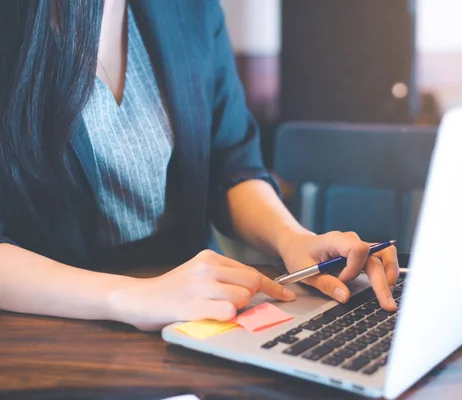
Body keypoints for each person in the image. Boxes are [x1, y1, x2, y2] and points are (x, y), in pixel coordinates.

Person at [0, 0, 399, 331]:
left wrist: (291, 238)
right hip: (53, 326)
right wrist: (131, 296)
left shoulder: (190, 8)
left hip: (194, 313)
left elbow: (231, 165)